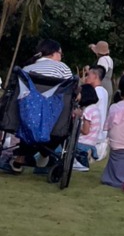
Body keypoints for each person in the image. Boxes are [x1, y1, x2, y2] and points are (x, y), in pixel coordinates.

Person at [2, 39, 74, 175]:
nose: (60, 57)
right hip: (55, 121)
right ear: (53, 53)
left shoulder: (27, 70)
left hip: (25, 119)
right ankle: (44, 155)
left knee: (31, 118)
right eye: (60, 54)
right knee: (61, 124)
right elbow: (71, 93)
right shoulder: (63, 68)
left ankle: (20, 157)